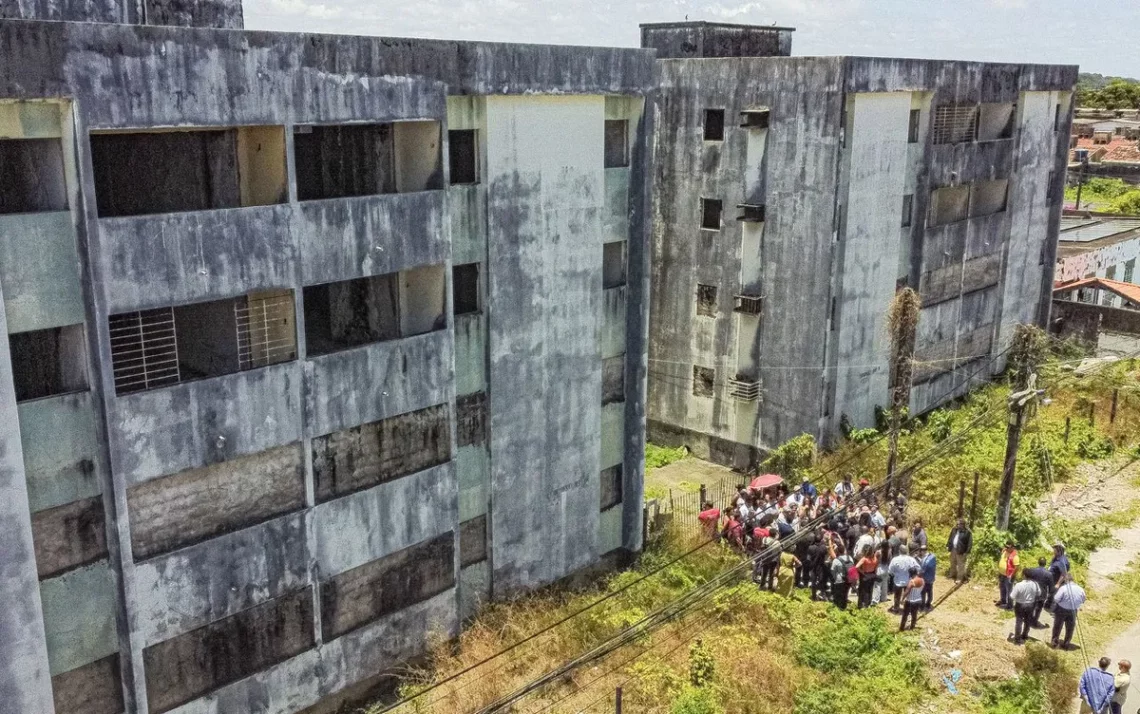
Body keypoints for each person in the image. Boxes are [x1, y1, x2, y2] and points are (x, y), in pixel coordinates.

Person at [1052, 574, 1087, 649]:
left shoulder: (1063, 588)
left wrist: (1062, 602)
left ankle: (1055, 643)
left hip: (1061, 609)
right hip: (1073, 611)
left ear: (1065, 580)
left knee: (1057, 626)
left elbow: (1056, 598)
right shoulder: (1080, 589)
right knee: (1070, 628)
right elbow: (1083, 599)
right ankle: (1066, 644)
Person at [1023, 557, 1055, 628]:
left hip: (1032, 592)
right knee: (1038, 609)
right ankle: (1034, 621)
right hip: (1042, 594)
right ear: (1045, 564)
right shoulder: (1049, 574)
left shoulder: (1032, 570)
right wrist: (1050, 594)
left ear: (1038, 562)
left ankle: (1028, 619)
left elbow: (1027, 579)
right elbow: (1051, 587)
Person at [1009, 576, 1041, 645]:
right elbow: (1039, 593)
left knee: (1019, 621)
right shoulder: (1035, 584)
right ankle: (1025, 635)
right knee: (1027, 621)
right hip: (1030, 605)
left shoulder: (1019, 585)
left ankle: (1017, 639)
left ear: (1024, 576)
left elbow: (1012, 596)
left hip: (1020, 605)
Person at [888, 545, 919, 613]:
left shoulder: (895, 559)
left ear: (899, 551)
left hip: (897, 581)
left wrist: (895, 573)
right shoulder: (911, 559)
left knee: (897, 596)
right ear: (906, 551)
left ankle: (896, 608)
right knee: (908, 596)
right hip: (908, 581)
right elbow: (918, 568)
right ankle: (907, 609)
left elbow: (890, 571)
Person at [946, 518, 972, 583]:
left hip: (961, 551)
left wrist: (967, 552)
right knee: (952, 562)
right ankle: (952, 574)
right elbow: (950, 538)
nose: (957, 525)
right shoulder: (954, 530)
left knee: (961, 565)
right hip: (953, 549)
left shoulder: (967, 532)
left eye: (959, 524)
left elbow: (969, 543)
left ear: (963, 524)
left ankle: (959, 578)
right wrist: (948, 545)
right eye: (957, 524)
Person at [1048, 542, 1072, 610]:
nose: (1053, 551)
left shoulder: (1063, 561)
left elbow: (1063, 574)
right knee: (1051, 593)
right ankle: (1048, 605)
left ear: (1059, 550)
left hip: (1056, 581)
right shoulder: (1056, 557)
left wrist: (1058, 584)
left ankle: (1053, 609)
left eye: (1054, 549)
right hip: (1052, 579)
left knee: (1055, 595)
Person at [830, 543, 854, 610]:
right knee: (845, 594)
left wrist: (834, 578)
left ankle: (838, 609)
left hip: (839, 580)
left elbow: (832, 570)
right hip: (849, 580)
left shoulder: (836, 560)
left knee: (838, 596)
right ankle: (844, 607)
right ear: (844, 550)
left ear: (837, 551)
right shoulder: (850, 558)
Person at [996, 540, 1019, 609]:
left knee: (1009, 591)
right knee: (1002, 588)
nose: (1006, 548)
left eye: (1008, 547)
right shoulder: (1004, 551)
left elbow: (1017, 567)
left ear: (1012, 547)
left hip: (1009, 576)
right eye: (1006, 546)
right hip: (1002, 574)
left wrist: (1012, 576)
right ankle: (1003, 601)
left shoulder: (1015, 556)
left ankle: (1010, 605)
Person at [900, 566, 924, 631]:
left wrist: (902, 599)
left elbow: (907, 591)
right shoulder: (922, 580)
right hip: (918, 599)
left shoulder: (912, 581)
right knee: (914, 614)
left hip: (910, 600)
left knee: (905, 615)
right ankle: (912, 627)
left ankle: (901, 628)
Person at [919, 546, 937, 611]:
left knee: (922, 593)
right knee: (930, 592)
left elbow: (922, 571)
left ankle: (922, 606)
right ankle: (928, 604)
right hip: (931, 578)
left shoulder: (924, 561)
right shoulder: (933, 556)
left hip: (925, 579)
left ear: (922, 551)